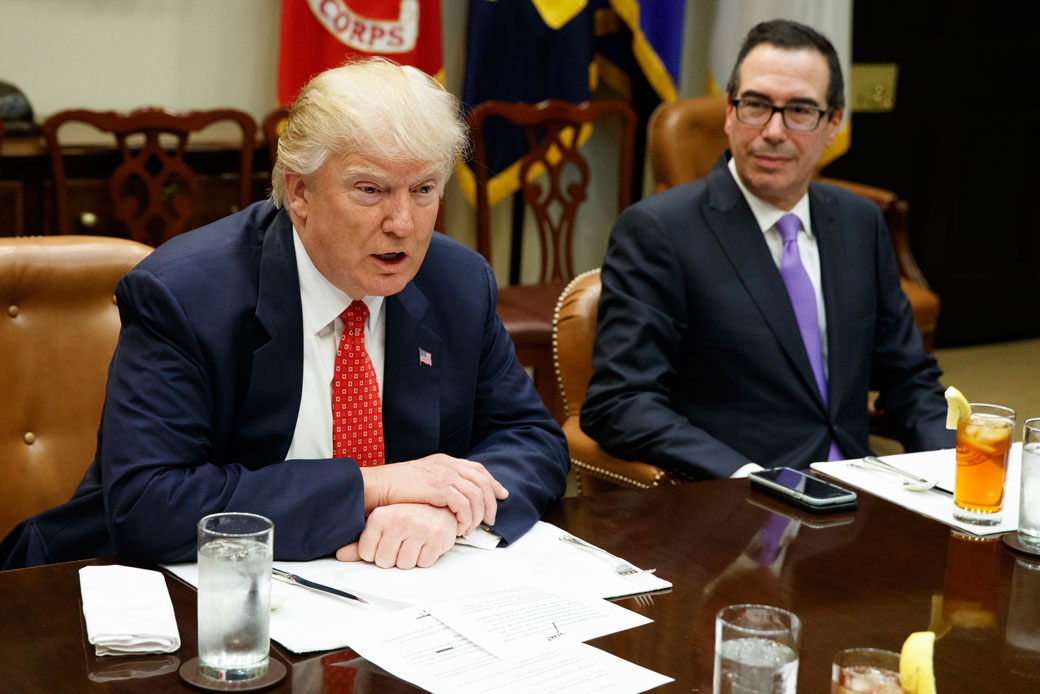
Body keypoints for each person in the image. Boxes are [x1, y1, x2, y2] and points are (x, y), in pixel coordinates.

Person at [1, 58, 568, 570]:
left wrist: (447, 513)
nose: (404, 222)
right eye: (370, 190)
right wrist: (375, 488)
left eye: (423, 189)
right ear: (299, 193)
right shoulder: (186, 294)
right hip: (167, 602)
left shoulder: (456, 282)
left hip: (384, 604)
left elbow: (531, 439)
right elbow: (151, 507)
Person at [581, 19, 954, 480]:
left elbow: (908, 379)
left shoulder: (859, 222)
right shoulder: (659, 230)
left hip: (860, 498)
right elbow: (619, 403)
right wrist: (751, 478)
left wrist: (953, 470)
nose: (773, 130)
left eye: (799, 111)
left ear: (833, 122)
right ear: (728, 112)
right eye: (756, 105)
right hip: (741, 509)